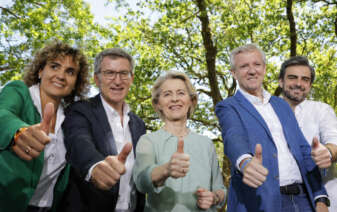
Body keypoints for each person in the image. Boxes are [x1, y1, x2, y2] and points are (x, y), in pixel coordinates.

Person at [215, 44, 329, 212]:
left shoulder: (282, 104)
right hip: (261, 203)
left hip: (304, 201)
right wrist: (245, 162)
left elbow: (303, 150)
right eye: (244, 66)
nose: (252, 70)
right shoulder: (228, 107)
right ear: (233, 73)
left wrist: (320, 197)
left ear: (264, 68)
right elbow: (233, 137)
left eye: (256, 64)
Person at [0, 40, 90, 212]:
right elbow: (1, 115)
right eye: (54, 66)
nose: (61, 75)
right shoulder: (19, 91)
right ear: (40, 71)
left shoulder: (70, 120)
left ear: (76, 82)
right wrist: (19, 132)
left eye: (70, 71)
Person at [60, 48, 145, 211]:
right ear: (97, 79)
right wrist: (95, 166)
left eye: (124, 73)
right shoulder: (79, 110)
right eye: (109, 73)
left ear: (131, 78)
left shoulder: (139, 124)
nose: (117, 81)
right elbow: (79, 142)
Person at [133, 71, 226, 211]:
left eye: (181, 93)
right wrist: (166, 170)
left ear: (191, 100)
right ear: (158, 104)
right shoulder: (148, 141)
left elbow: (220, 189)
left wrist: (214, 197)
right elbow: (141, 181)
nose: (174, 99)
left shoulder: (206, 144)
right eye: (167, 94)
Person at [279, 55, 337, 211]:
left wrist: (328, 153)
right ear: (281, 81)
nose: (299, 83)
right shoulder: (267, 114)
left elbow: (334, 141)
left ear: (310, 85)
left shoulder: (322, 110)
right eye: (292, 78)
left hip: (323, 202)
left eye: (305, 79)